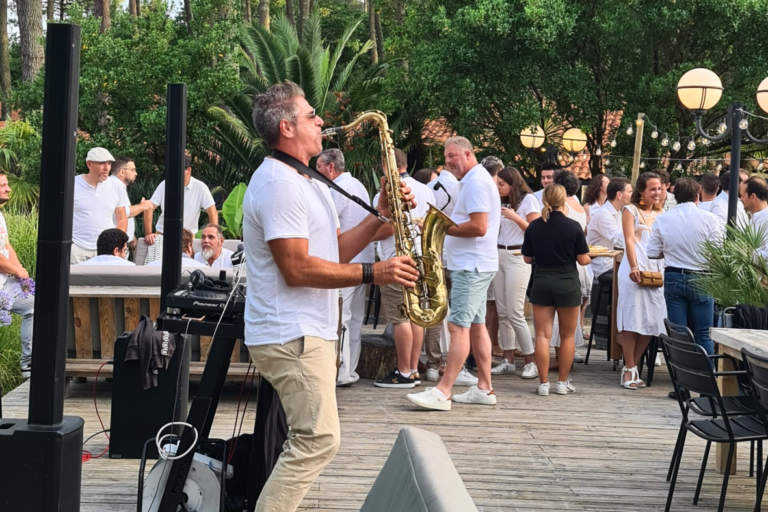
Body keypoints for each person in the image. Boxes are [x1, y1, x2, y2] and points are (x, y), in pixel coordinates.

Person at [242, 81, 417, 512]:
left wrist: (382, 216)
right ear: (287, 127)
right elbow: (296, 268)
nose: (321, 121)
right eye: (311, 115)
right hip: (290, 333)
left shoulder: (307, 178)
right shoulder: (279, 184)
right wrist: (374, 272)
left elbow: (333, 251)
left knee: (312, 437)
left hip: (307, 330)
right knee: (317, 438)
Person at [406, 136, 501, 410]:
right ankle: (484, 388)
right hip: (476, 264)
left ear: (468, 154)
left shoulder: (476, 182)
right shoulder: (475, 179)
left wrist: (438, 228)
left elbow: (479, 227)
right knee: (477, 326)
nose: (448, 162)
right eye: (446, 157)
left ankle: (443, 391)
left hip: (471, 266)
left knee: (457, 328)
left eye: (453, 156)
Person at [372, 148, 436, 389]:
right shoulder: (425, 189)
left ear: (385, 165)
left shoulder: (386, 192)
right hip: (420, 256)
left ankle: (404, 371)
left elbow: (383, 229)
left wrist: (368, 234)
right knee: (415, 315)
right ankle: (413, 369)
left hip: (395, 258)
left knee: (400, 318)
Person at [521, 184, 591, 396]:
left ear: (544, 200)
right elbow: (583, 259)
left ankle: (543, 384)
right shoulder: (573, 226)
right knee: (567, 336)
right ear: (564, 200)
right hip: (567, 281)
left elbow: (527, 259)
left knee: (542, 335)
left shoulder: (534, 226)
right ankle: (562, 382)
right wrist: (592, 256)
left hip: (542, 280)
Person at [316, 148, 375, 387]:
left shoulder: (337, 189)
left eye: (319, 166)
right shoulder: (358, 185)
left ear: (331, 167)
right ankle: (349, 369)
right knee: (355, 318)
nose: (316, 171)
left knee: (342, 317)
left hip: (347, 260)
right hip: (364, 258)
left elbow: (327, 223)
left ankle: (341, 372)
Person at [648, 178, 725, 358]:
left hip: (674, 275)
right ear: (697, 195)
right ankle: (707, 372)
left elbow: (652, 252)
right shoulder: (710, 219)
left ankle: (682, 374)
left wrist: (671, 250)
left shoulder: (663, 219)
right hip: (701, 276)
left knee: (679, 333)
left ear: (675, 196)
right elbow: (717, 251)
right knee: (704, 332)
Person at [615, 172, 666, 389]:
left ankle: (633, 366)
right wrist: (634, 266)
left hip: (655, 271)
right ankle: (629, 368)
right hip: (634, 269)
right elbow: (629, 240)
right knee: (632, 318)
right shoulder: (630, 210)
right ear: (641, 191)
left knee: (651, 321)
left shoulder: (662, 213)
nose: (657, 192)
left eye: (659, 188)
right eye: (652, 189)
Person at [490, 167, 539, 379]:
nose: (498, 188)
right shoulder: (501, 201)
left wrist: (515, 217)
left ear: (513, 183)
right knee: (502, 312)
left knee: (515, 312)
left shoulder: (528, 200)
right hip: (499, 254)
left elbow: (536, 230)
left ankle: (531, 361)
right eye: (497, 184)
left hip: (518, 255)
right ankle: (508, 360)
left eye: (502, 184)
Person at [144, 155, 218, 263]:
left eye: (178, 170)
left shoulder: (200, 187)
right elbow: (149, 207)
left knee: (188, 267)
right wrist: (148, 233)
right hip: (163, 236)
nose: (174, 174)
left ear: (189, 170)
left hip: (188, 239)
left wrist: (213, 235)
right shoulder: (165, 184)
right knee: (158, 267)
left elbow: (213, 213)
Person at [412, 167, 446, 381]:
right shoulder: (427, 192)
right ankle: (431, 363)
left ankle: (417, 363)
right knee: (430, 308)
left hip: (421, 256)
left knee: (423, 308)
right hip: (428, 255)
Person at [0, 171, 34, 378]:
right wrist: (16, 270)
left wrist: (20, 271)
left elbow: (5, 245)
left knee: (34, 305)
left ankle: (29, 364)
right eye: (3, 185)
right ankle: (28, 365)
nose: (9, 188)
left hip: (5, 283)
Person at [552, 170, 590, 353]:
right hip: (579, 264)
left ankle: (559, 355)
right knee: (570, 317)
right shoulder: (580, 207)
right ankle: (569, 352)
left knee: (558, 316)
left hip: (563, 263)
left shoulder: (563, 206)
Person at [72, 147, 128, 264]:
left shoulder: (116, 186)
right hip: (77, 247)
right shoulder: (73, 184)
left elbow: (122, 218)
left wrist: (116, 243)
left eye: (109, 163)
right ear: (89, 164)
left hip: (106, 250)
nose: (107, 168)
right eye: (102, 163)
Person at [109, 157, 155, 257]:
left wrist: (132, 237)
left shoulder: (118, 185)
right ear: (122, 172)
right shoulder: (115, 185)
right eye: (133, 170)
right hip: (115, 243)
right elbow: (123, 212)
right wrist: (143, 206)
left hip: (119, 241)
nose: (136, 173)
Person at [587, 177, 631, 277]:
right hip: (603, 267)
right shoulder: (603, 214)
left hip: (615, 262)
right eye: (630, 192)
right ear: (619, 195)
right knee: (634, 277)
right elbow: (617, 239)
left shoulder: (619, 212)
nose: (633, 195)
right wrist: (635, 230)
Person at [740, 176, 768, 259]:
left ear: (753, 197)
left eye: (742, 196)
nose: (740, 199)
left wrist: (744, 253)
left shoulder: (766, 219)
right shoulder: (754, 216)